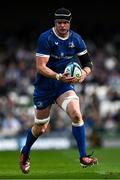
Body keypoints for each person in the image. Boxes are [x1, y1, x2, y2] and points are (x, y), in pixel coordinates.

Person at [19, 7, 98, 174]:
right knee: (40, 127)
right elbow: (40, 67)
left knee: (76, 114)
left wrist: (83, 74)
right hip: (45, 86)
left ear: (69, 23)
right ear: (54, 23)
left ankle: (83, 157)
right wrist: (58, 77)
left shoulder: (76, 39)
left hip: (64, 86)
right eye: (59, 22)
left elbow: (88, 64)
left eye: (65, 22)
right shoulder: (46, 38)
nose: (62, 25)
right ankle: (25, 152)